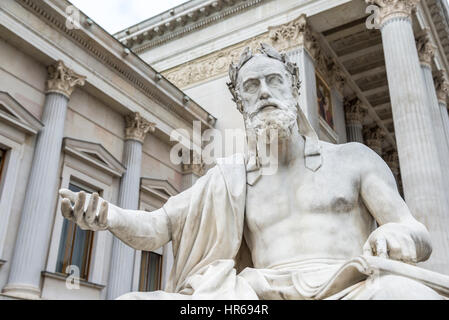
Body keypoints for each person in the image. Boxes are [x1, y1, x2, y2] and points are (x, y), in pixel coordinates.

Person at [59, 43, 443, 299]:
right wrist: (108, 215)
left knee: (403, 294)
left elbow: (416, 231)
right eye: (251, 87)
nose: (263, 92)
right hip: (255, 298)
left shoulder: (354, 158)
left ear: (293, 87)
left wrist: (399, 234)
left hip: (353, 288)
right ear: (240, 103)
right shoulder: (229, 179)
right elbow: (159, 225)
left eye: (274, 81)